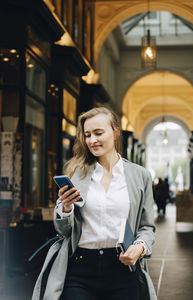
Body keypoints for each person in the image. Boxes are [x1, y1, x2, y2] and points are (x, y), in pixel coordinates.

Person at [32, 107, 157, 300]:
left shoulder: (140, 175)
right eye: (87, 134)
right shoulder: (76, 173)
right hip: (80, 269)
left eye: (98, 133)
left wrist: (139, 248)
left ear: (115, 132)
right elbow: (64, 231)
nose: (92, 140)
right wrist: (65, 208)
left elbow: (147, 227)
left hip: (123, 270)